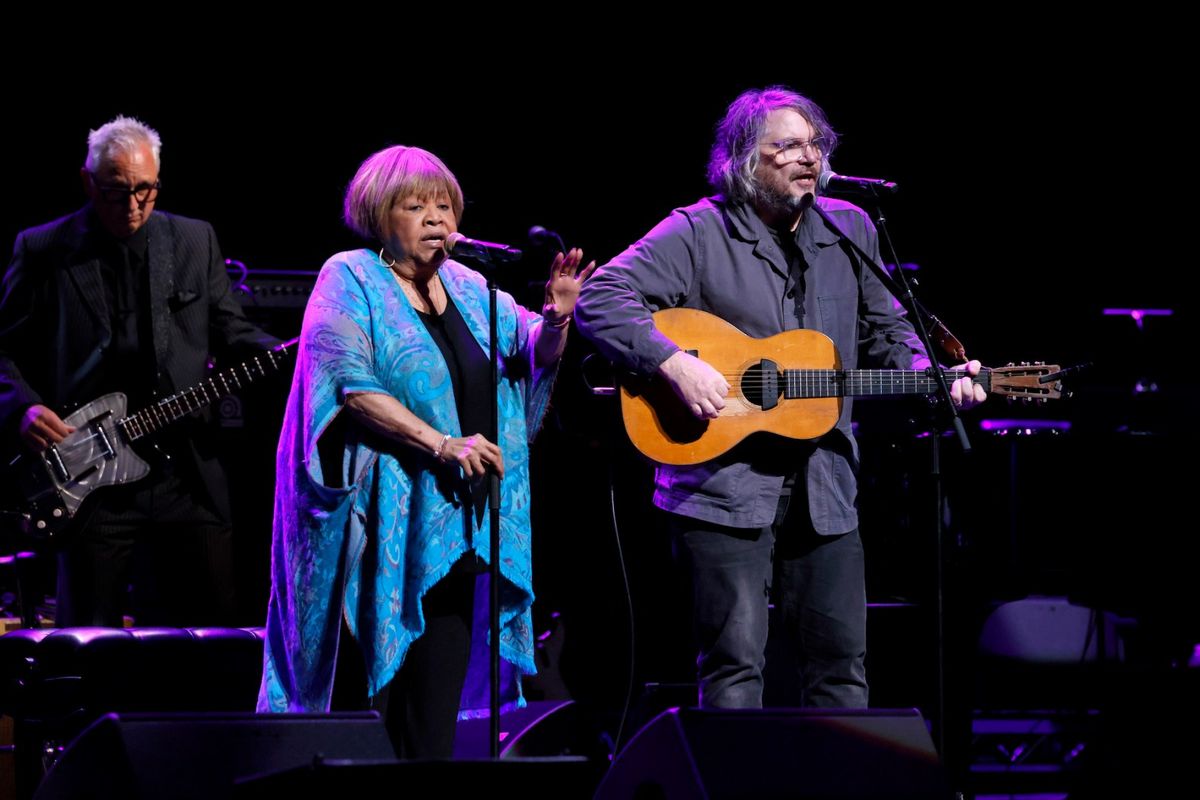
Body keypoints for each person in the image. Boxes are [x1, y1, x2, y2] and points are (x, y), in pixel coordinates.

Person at [574, 87, 986, 709]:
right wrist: (673, 363)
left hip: (826, 483)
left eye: (815, 144)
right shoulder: (697, 230)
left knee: (842, 667)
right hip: (722, 483)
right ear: (744, 158)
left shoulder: (850, 228)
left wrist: (935, 373)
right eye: (789, 146)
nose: (809, 157)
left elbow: (889, 330)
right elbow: (601, 297)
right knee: (734, 669)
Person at [257, 145, 593, 758]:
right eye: (416, 207)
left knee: (433, 725)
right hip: (374, 532)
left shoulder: (471, 287)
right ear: (380, 215)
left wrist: (556, 321)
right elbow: (348, 386)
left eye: (445, 206)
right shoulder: (350, 276)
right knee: (369, 719)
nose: (436, 218)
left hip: (454, 537)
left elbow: (529, 357)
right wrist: (442, 443)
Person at [0, 115, 278, 627]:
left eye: (145, 190)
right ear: (88, 182)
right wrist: (22, 407)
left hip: (186, 475)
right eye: (116, 191)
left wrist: (299, 349)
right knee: (89, 646)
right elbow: (3, 351)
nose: (132, 205)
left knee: (210, 638)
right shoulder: (43, 249)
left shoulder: (194, 239)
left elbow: (231, 330)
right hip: (90, 479)